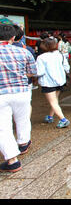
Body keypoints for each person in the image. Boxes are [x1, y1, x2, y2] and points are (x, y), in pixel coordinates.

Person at [0, 24, 36, 172]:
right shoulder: (23, 52)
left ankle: (12, 161)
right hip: (22, 91)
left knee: (3, 127)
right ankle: (23, 143)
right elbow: (33, 72)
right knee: (22, 118)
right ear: (13, 37)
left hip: (1, 94)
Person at [36, 38, 71, 128]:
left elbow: (39, 72)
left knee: (53, 102)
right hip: (60, 81)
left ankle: (63, 119)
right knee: (55, 100)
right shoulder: (60, 55)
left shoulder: (41, 58)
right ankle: (50, 116)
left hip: (48, 82)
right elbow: (66, 67)